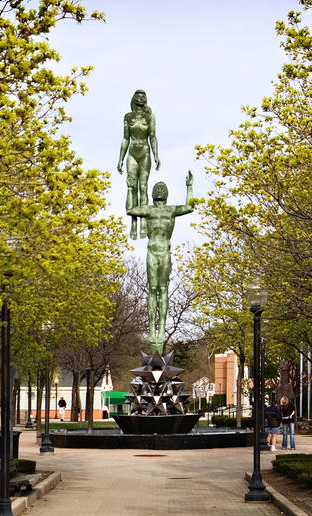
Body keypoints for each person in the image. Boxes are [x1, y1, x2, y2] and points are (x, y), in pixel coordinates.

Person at [128, 172, 194, 354]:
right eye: (158, 189)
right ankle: (152, 329)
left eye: (163, 189)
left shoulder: (171, 210)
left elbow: (189, 206)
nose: (160, 191)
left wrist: (189, 188)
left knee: (163, 289)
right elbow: (130, 209)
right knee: (153, 289)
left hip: (165, 251)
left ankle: (161, 327)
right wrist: (130, 188)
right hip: (152, 250)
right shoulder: (148, 210)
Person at [117, 89, 160, 240]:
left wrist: (156, 156)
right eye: (139, 96)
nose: (141, 99)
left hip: (145, 153)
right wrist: (121, 159)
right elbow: (125, 139)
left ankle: (144, 224)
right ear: (134, 99)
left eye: (144, 96)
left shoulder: (149, 117)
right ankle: (133, 224)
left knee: (143, 187)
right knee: (131, 186)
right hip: (132, 153)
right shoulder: (128, 117)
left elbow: (153, 137)